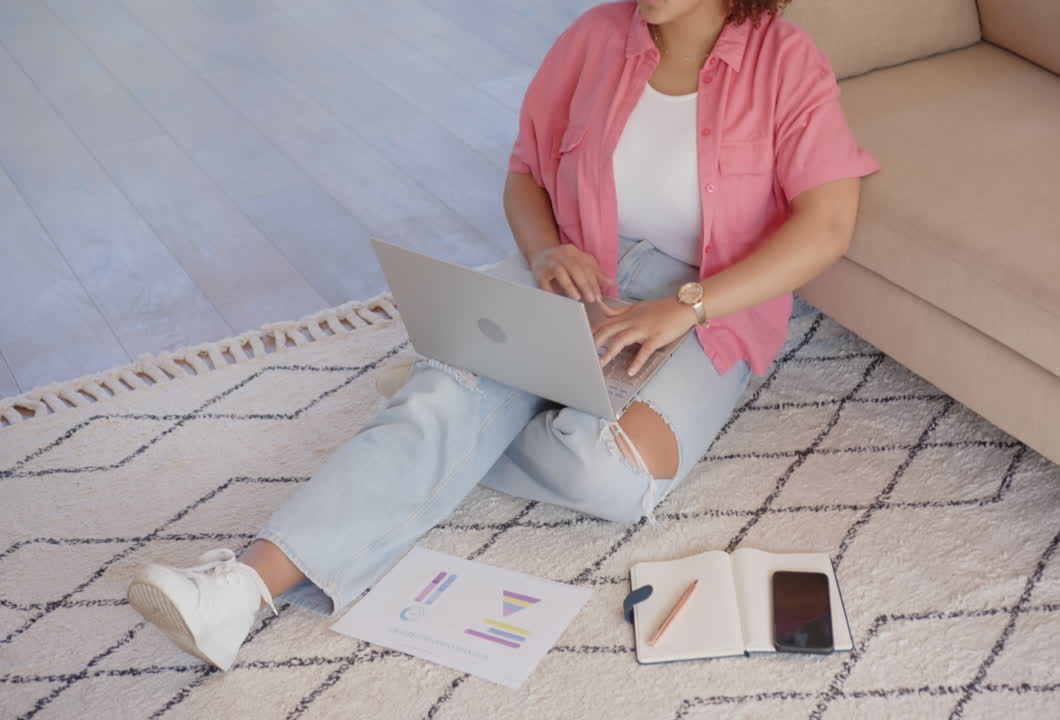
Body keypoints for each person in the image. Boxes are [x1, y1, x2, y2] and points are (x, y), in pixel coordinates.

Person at [126, 0, 879, 671]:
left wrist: (687, 304)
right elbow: (525, 172)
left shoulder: (785, 61)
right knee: (453, 398)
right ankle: (242, 589)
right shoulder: (592, 38)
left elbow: (829, 224)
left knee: (611, 476)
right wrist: (548, 248)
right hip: (580, 275)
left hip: (706, 302)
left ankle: (452, 403)